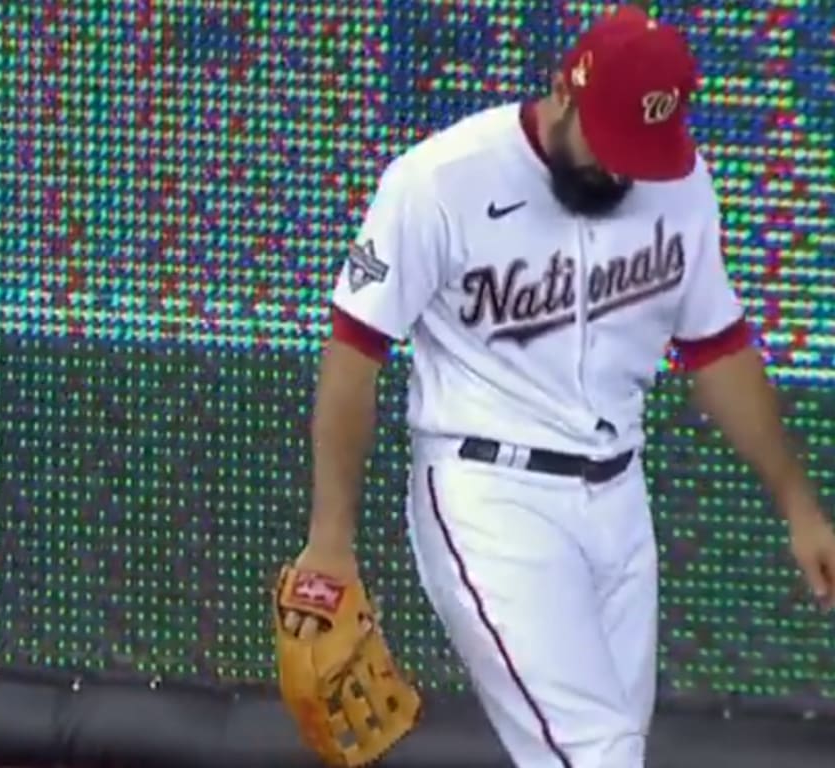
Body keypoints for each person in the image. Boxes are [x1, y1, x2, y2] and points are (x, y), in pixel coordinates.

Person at [285, 7, 835, 767]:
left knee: (606, 750)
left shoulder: (679, 181)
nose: (621, 171)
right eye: (612, 143)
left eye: (642, 151)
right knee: (598, 754)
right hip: (489, 497)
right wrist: (330, 541)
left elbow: (717, 347)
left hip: (620, 501)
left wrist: (799, 505)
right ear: (564, 91)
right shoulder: (440, 180)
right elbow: (355, 353)